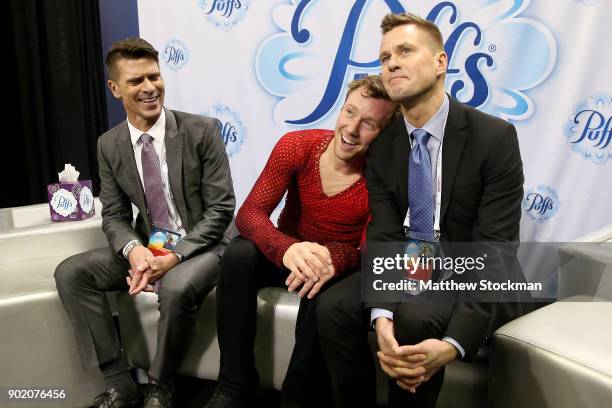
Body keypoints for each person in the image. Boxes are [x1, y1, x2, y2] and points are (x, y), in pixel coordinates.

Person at [317, 13, 529, 408]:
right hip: (412, 264)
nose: (391, 63)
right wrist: (380, 312)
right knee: (332, 308)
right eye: (384, 58)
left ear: (440, 62)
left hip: (470, 270)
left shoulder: (494, 137)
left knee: (416, 317)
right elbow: (383, 235)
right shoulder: (382, 146)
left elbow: (495, 251)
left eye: (405, 51)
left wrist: (453, 343)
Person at [54, 37, 235, 408]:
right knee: (72, 273)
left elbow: (220, 210)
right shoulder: (109, 144)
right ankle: (120, 383)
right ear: (114, 88)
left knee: (176, 287)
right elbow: (116, 214)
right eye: (136, 81)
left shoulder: (203, 130)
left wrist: (175, 256)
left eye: (154, 76)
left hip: (205, 244)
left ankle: (160, 384)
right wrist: (135, 250)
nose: (150, 87)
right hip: (151, 244)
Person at [204, 76, 397, 408]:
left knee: (320, 283)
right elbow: (250, 213)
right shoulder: (298, 145)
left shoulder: (382, 179)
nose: (351, 128)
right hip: (288, 251)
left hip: (335, 265)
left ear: (384, 133)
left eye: (368, 124)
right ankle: (233, 384)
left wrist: (330, 258)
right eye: (349, 112)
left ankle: (297, 398)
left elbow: (370, 250)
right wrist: (288, 248)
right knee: (238, 253)